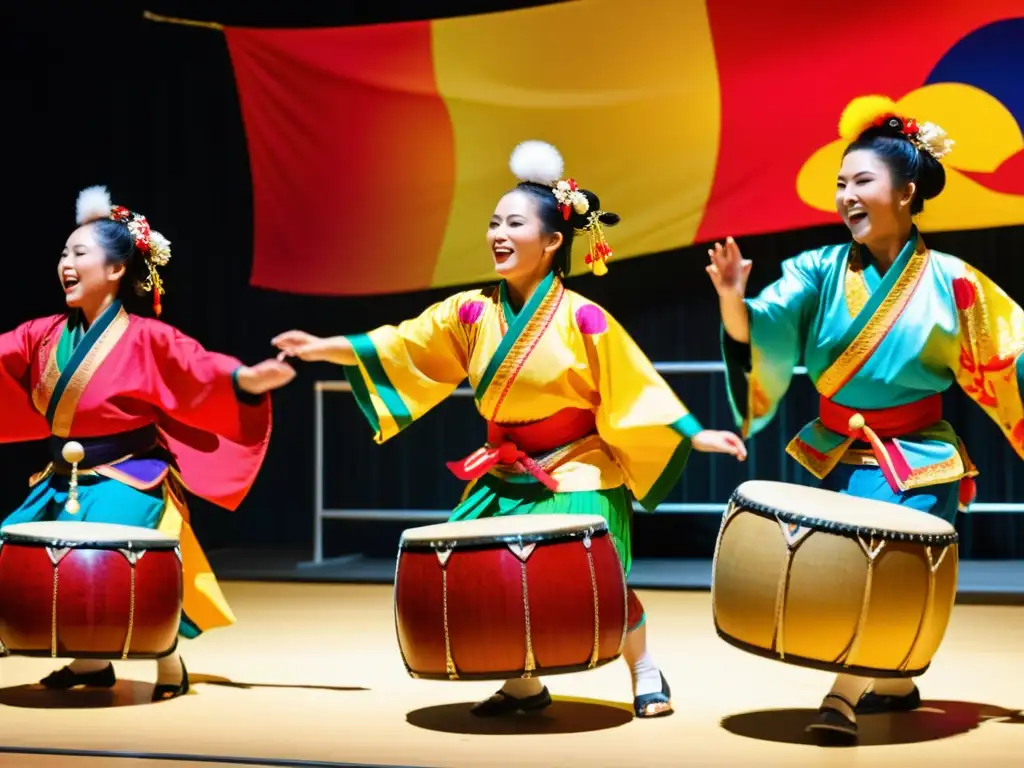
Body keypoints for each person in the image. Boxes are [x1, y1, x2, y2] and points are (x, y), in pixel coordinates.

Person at [273, 140, 747, 718]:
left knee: (590, 577)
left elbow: (635, 384)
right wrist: (325, 347)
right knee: (474, 571)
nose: (498, 233)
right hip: (503, 468)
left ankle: (645, 669)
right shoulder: (471, 311)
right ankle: (524, 684)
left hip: (576, 470)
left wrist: (694, 434)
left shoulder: (583, 317)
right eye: (494, 222)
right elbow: (403, 343)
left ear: (552, 242)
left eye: (515, 223)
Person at [707, 100, 1024, 739]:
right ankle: (897, 680)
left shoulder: (953, 282)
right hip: (839, 449)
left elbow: (1011, 352)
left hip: (918, 458)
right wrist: (734, 303)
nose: (846, 195)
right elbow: (767, 328)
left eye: (862, 182)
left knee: (870, 570)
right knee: (873, 577)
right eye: (841, 184)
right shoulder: (817, 270)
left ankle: (841, 699)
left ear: (906, 193)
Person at [0, 186, 295, 701]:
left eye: (78, 253)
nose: (64, 264)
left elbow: (199, 370)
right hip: (61, 477)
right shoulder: (41, 335)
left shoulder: (147, 338)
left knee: (95, 555)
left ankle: (168, 658)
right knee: (14, 543)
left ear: (115, 270)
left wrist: (247, 379)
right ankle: (90, 663)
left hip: (129, 472)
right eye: (62, 254)